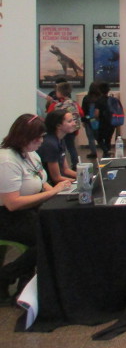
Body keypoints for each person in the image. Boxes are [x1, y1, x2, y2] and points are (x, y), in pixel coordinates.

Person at [0, 114, 73, 304]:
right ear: (23, 137)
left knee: (58, 229)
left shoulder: (31, 154)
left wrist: (62, 192)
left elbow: (41, 182)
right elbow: (12, 203)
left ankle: (23, 282)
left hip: (28, 211)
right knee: (48, 237)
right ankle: (7, 275)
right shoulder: (7, 160)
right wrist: (53, 192)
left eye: (42, 137)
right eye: (37, 138)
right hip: (7, 216)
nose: (41, 141)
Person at [46, 81, 82, 169]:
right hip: (73, 130)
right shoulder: (74, 103)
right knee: (71, 147)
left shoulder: (55, 105)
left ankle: (61, 164)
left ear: (60, 92)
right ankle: (75, 164)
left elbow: (49, 115)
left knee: (61, 148)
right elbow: (81, 113)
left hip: (61, 130)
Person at [38, 109, 78, 184]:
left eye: (73, 120)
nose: (74, 123)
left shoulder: (60, 140)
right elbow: (56, 178)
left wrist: (84, 176)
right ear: (58, 126)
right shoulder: (50, 144)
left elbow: (65, 170)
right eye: (70, 121)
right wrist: (78, 181)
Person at [81, 81, 102, 158]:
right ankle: (105, 150)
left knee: (90, 137)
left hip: (88, 120)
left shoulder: (86, 98)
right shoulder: (100, 98)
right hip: (99, 120)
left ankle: (93, 152)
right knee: (99, 137)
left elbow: (83, 111)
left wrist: (83, 120)